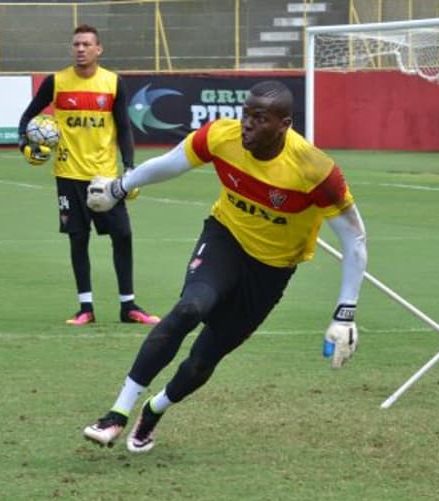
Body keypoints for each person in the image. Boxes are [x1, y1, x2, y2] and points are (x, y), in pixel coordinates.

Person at [82, 80, 368, 453]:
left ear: (285, 123)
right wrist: (120, 187)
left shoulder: (315, 170)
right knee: (190, 308)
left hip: (272, 271)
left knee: (203, 360)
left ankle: (154, 410)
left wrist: (344, 314)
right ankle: (116, 413)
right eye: (245, 114)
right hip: (225, 240)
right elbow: (169, 164)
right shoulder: (221, 136)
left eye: (259, 118)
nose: (247, 124)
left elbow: (355, 240)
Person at [17, 23, 159, 326]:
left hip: (105, 179)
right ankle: (86, 308)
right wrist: (25, 145)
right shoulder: (56, 82)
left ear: (98, 49)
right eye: (76, 44)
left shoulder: (113, 83)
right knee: (77, 239)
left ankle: (129, 306)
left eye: (86, 44)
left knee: (123, 236)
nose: (80, 49)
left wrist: (130, 166)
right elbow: (28, 117)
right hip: (68, 176)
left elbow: (124, 127)